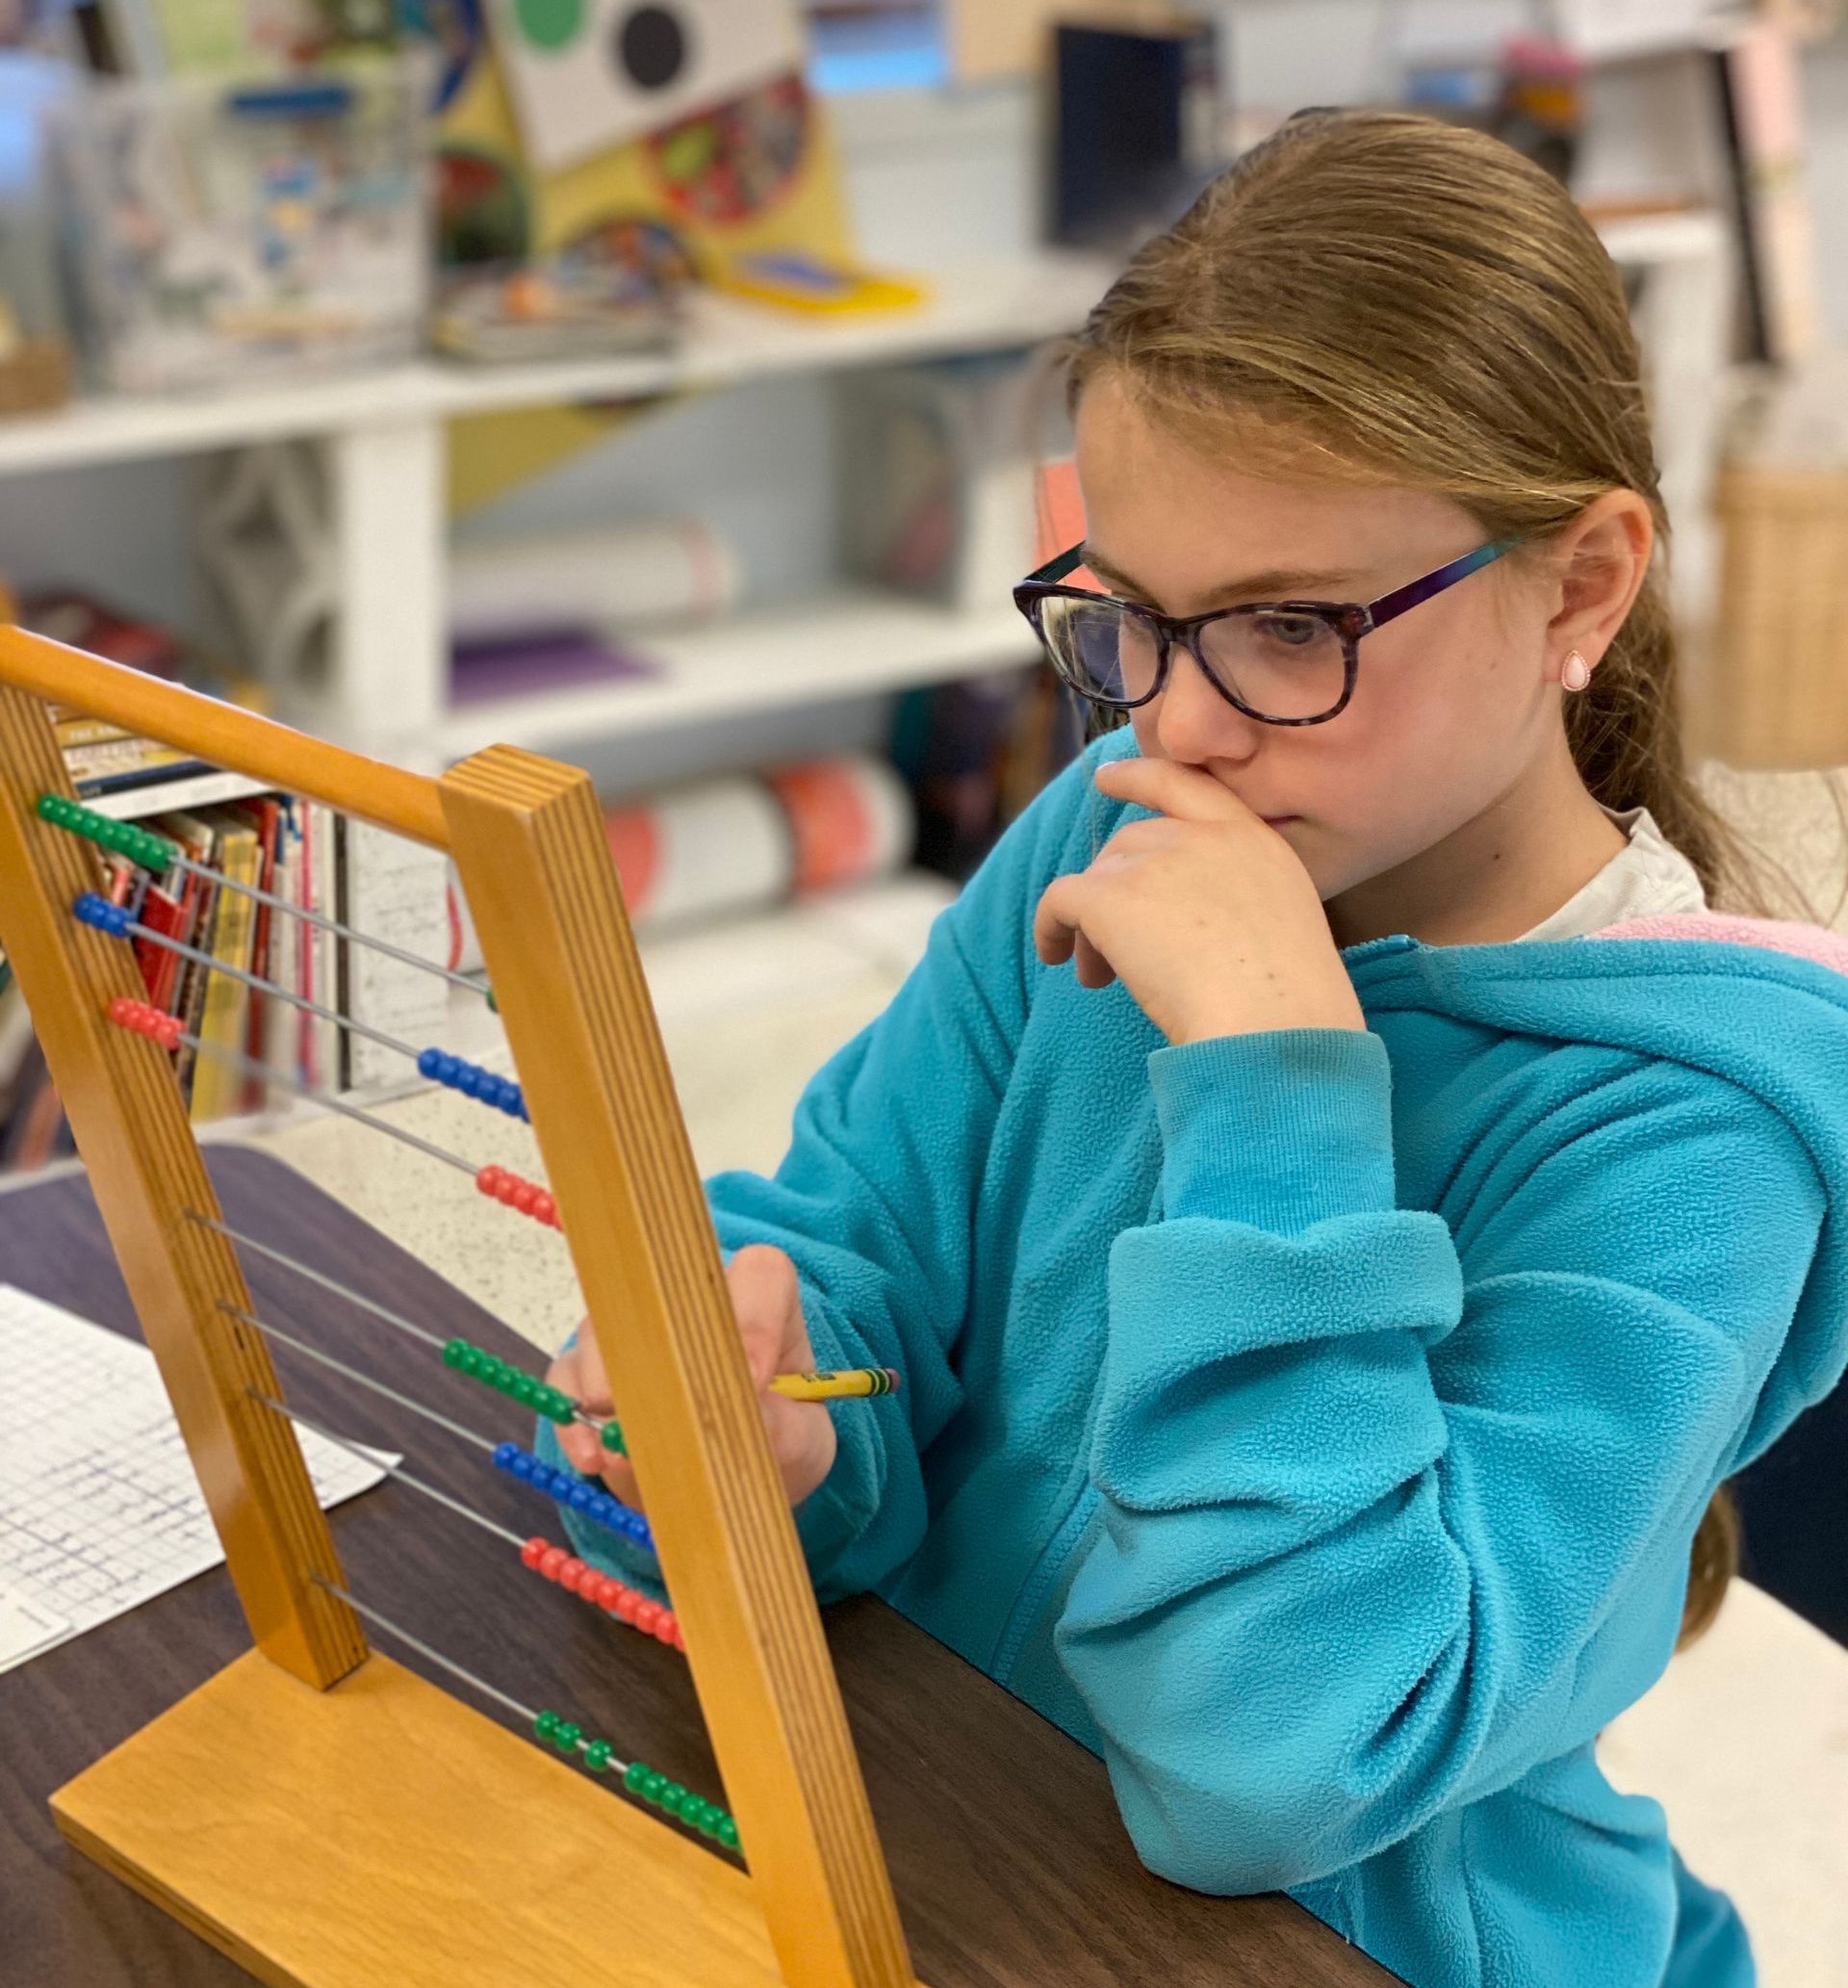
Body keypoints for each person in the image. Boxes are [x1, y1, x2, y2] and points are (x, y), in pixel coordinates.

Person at [539, 111, 1848, 1988]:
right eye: (1132, 619)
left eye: (1295, 626)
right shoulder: (1114, 823)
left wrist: (1278, 1086)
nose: (1186, 724)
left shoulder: (1700, 1127)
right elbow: (863, 1251)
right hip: (941, 1817)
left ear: (1581, 587)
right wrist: (774, 1410)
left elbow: (1274, 1771)